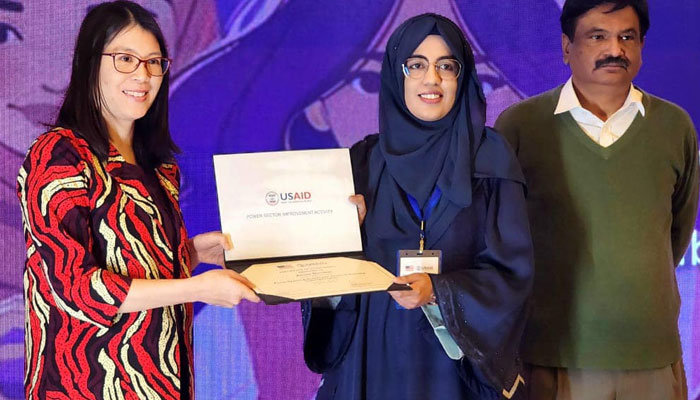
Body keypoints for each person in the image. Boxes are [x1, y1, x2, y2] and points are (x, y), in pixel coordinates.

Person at [16, 2, 260, 399]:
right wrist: (196, 289)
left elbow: (132, 263)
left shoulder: (158, 167)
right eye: (125, 59)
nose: (142, 75)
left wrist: (192, 253)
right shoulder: (60, 154)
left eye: (153, 62)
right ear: (89, 64)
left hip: (161, 379)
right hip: (87, 383)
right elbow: (76, 287)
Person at [302, 13, 534, 400]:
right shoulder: (362, 161)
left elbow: (513, 275)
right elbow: (331, 280)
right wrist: (338, 238)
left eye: (447, 66)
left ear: (463, 77)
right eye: (416, 65)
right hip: (372, 361)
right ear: (396, 75)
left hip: (454, 368)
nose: (432, 79)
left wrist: (440, 292)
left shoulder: (492, 159)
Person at [494, 1, 699, 399]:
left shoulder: (675, 126)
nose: (615, 49)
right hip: (554, 356)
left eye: (627, 37)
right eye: (598, 37)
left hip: (651, 356)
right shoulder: (521, 126)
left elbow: (674, 232)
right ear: (567, 47)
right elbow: (501, 235)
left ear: (641, 46)